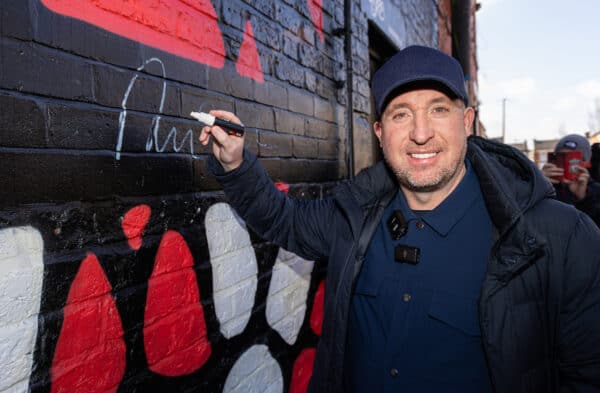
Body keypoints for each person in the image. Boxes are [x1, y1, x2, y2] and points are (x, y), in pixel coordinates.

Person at [200, 46, 600, 393]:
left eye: (438, 110)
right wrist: (235, 165)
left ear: (467, 122)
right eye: (401, 115)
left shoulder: (557, 238)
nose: (420, 133)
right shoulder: (353, 215)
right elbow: (284, 220)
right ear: (379, 132)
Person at [542, 134, 600, 227]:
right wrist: (538, 183)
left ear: (586, 163)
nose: (566, 164)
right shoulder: (548, 187)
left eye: (573, 159)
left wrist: (583, 199)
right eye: (561, 157)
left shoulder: (596, 190)